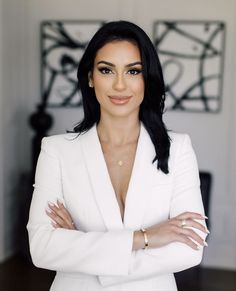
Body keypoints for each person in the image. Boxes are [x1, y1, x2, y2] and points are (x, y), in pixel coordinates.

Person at [27, 20, 209, 291]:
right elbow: (42, 249)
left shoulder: (178, 149)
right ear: (90, 77)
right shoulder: (56, 151)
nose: (120, 85)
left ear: (147, 78)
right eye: (106, 70)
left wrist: (83, 246)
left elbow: (190, 249)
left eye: (133, 71)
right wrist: (145, 238)